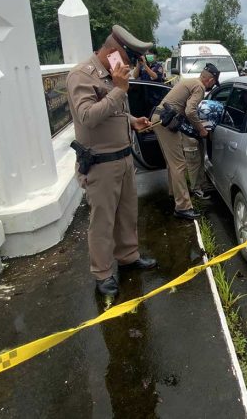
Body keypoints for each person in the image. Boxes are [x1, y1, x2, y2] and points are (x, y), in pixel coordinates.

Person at [66, 25, 157, 297]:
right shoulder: (81, 76)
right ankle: (103, 273)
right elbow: (88, 116)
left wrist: (132, 121)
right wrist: (119, 89)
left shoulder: (112, 76)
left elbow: (114, 112)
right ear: (114, 53)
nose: (128, 68)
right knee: (103, 222)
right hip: (100, 163)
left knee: (128, 214)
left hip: (124, 158)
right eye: (126, 61)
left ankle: (128, 256)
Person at [151, 63, 220, 219]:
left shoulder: (188, 81)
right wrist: (202, 130)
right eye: (213, 83)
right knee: (179, 165)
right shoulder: (199, 87)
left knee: (172, 163)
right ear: (209, 80)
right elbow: (190, 110)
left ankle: (173, 192)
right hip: (166, 122)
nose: (211, 86)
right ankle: (183, 207)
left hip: (159, 119)